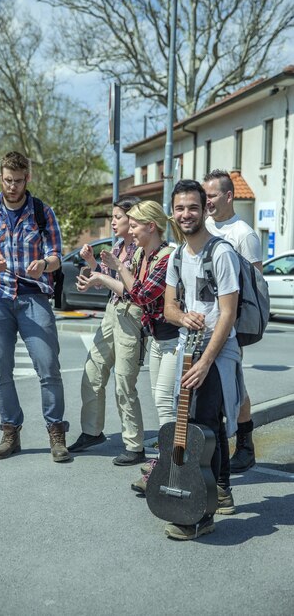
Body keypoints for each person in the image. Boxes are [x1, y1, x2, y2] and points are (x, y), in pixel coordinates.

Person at [0, 151, 70, 462]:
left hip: (34, 297)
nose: (13, 186)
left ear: (27, 179)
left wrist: (45, 264)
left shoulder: (41, 212)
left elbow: (57, 256)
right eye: (8, 180)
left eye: (18, 181)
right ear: (1, 177)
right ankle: (10, 431)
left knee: (48, 367)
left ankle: (56, 433)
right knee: (0, 371)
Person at [163, 179, 245, 540]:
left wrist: (207, 361)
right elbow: (168, 308)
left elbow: (228, 313)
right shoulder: (177, 255)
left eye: (192, 207)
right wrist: (183, 318)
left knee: (204, 428)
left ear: (205, 209)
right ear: (172, 211)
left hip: (215, 352)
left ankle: (200, 515)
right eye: (180, 208)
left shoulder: (222, 253)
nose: (186, 214)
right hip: (188, 349)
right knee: (200, 428)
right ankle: (216, 494)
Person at [89, 200, 183, 474]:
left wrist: (120, 266)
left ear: (150, 226)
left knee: (166, 402)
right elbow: (132, 291)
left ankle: (170, 465)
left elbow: (141, 295)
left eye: (134, 224)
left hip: (174, 338)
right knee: (160, 399)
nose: (130, 230)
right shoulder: (144, 256)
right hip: (157, 337)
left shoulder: (168, 257)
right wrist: (108, 273)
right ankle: (169, 460)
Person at [68, 196, 146, 466]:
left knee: (124, 382)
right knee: (93, 370)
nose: (113, 221)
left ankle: (135, 445)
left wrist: (101, 276)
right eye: (112, 217)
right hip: (112, 313)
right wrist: (92, 267)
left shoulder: (141, 249)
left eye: (118, 217)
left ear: (132, 219)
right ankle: (92, 432)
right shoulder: (119, 246)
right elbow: (107, 283)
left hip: (130, 315)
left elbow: (134, 292)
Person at [203, 169, 262, 473]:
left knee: (234, 387)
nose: (207, 201)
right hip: (204, 322)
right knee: (227, 386)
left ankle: (245, 446)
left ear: (228, 196)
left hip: (231, 324)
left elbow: (254, 287)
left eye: (211, 195)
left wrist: (238, 327)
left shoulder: (244, 234)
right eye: (205, 196)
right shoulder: (205, 226)